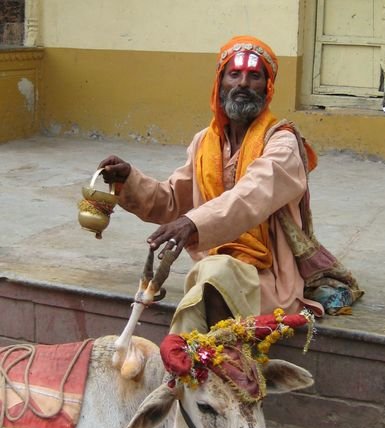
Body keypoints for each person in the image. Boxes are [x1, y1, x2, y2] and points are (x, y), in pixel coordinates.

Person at [98, 35, 362, 333]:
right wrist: (129, 180)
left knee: (213, 276)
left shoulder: (282, 142)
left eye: (254, 76)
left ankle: (198, 365)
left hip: (269, 275)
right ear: (219, 83)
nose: (243, 84)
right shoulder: (205, 142)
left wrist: (193, 223)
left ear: (268, 87)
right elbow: (172, 200)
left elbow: (251, 197)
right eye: (234, 74)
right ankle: (201, 365)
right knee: (212, 275)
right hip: (216, 261)